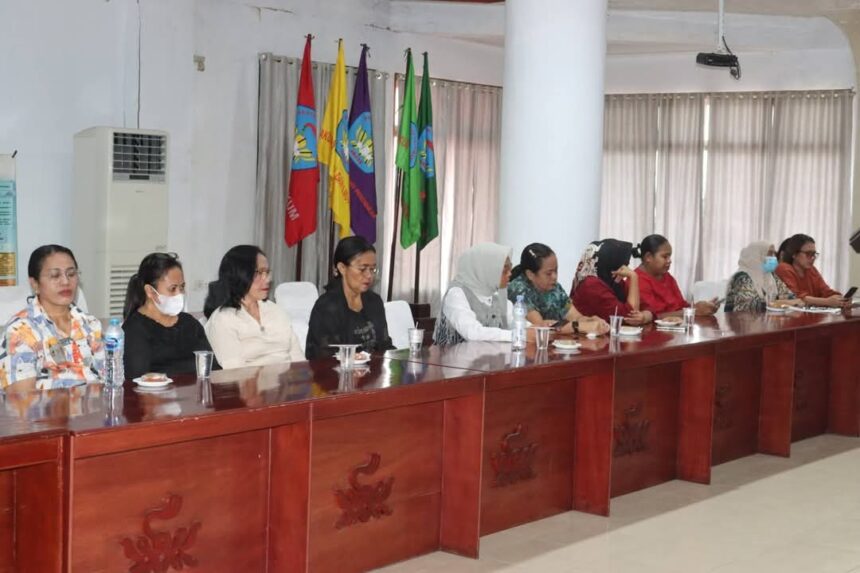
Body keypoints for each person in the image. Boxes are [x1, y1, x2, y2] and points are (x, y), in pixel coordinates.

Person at [0, 245, 104, 391]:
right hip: (49, 406)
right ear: (35, 284)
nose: (65, 281)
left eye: (71, 274)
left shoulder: (91, 324)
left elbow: (111, 381)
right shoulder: (20, 331)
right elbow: (21, 399)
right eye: (55, 275)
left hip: (96, 404)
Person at [204, 245, 304, 368]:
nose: (267, 279)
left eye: (267, 272)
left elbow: (300, 362)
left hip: (289, 378)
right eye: (259, 272)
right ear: (240, 274)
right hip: (248, 379)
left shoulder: (276, 311)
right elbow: (234, 373)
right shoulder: (223, 320)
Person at [122, 252, 215, 380]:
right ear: (150, 291)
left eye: (182, 287)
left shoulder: (190, 324)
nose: (179, 294)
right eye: (172, 289)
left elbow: (212, 367)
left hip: (196, 391)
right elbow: (137, 379)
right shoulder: (135, 329)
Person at [305, 236, 394, 359]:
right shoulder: (327, 307)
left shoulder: (375, 301)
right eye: (362, 269)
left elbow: (385, 346)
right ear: (342, 268)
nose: (369, 275)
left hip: (373, 370)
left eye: (372, 269)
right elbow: (323, 357)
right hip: (338, 370)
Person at [506, 243, 608, 335]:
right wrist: (578, 326)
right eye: (549, 273)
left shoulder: (554, 287)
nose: (554, 277)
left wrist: (590, 320)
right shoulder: (518, 290)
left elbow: (575, 317)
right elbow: (541, 328)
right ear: (530, 274)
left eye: (556, 270)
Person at [570, 239, 652, 325]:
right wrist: (634, 277)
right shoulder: (591, 284)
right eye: (623, 263)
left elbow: (646, 307)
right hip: (587, 333)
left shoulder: (612, 280)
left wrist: (644, 317)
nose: (626, 267)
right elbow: (630, 317)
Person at [633, 234, 717, 318]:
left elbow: (681, 306)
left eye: (669, 256)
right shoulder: (636, 280)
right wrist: (694, 311)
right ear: (648, 257)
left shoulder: (667, 276)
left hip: (679, 324)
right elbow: (653, 317)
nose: (669, 261)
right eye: (665, 257)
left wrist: (703, 307)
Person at [775, 234, 849, 308]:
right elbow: (796, 298)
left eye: (814, 254)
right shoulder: (783, 268)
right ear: (794, 254)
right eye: (808, 254)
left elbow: (825, 291)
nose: (813, 258)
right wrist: (828, 302)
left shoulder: (811, 269)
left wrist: (841, 299)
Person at [724, 241, 799, 312]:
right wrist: (782, 301)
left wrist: (778, 301)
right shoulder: (742, 278)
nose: (774, 257)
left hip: (767, 319)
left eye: (774, 254)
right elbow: (753, 305)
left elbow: (792, 297)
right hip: (740, 320)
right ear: (756, 256)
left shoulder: (772, 276)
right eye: (770, 254)